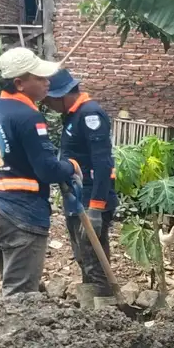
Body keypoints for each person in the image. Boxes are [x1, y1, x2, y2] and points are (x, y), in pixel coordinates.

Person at [0, 47, 81, 296]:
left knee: (11, 288)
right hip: (20, 213)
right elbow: (47, 170)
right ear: (20, 83)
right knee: (20, 297)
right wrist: (71, 166)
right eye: (40, 78)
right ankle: (10, 334)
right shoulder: (28, 116)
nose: (48, 83)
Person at [44, 69, 116, 310]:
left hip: (90, 199)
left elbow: (103, 163)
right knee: (84, 256)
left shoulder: (90, 114)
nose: (48, 106)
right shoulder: (72, 115)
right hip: (76, 198)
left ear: (61, 95)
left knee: (94, 258)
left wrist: (96, 207)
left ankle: (103, 310)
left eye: (49, 100)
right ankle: (92, 307)